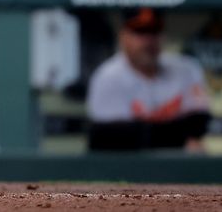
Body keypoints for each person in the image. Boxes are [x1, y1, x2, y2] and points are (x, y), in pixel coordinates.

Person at [87, 8, 212, 151]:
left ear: (163, 35)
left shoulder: (187, 69)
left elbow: (199, 126)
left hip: (175, 165)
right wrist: (177, 132)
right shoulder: (107, 76)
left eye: (154, 31)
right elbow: (111, 138)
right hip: (127, 168)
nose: (148, 41)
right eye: (140, 32)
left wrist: (142, 131)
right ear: (123, 37)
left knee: (197, 150)